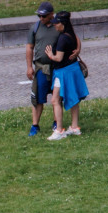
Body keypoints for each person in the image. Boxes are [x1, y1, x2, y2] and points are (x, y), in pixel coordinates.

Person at [44, 11, 89, 140]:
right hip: (73, 69)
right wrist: (78, 49)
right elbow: (78, 41)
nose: (54, 26)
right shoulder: (71, 34)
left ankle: (59, 130)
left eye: (56, 23)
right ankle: (74, 127)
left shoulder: (62, 38)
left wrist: (50, 55)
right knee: (74, 98)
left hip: (63, 72)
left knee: (55, 100)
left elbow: (58, 58)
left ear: (62, 24)